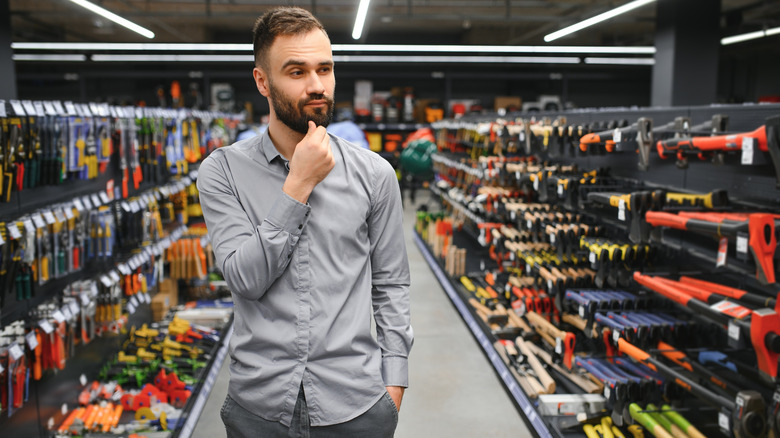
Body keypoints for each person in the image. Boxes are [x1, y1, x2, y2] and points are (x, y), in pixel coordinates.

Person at [196, 6, 413, 438]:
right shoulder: (222, 172)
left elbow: (391, 285)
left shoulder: (375, 174)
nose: (317, 85)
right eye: (296, 71)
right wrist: (297, 185)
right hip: (257, 408)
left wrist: (394, 386)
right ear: (263, 81)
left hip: (357, 406)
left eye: (325, 69)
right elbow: (245, 279)